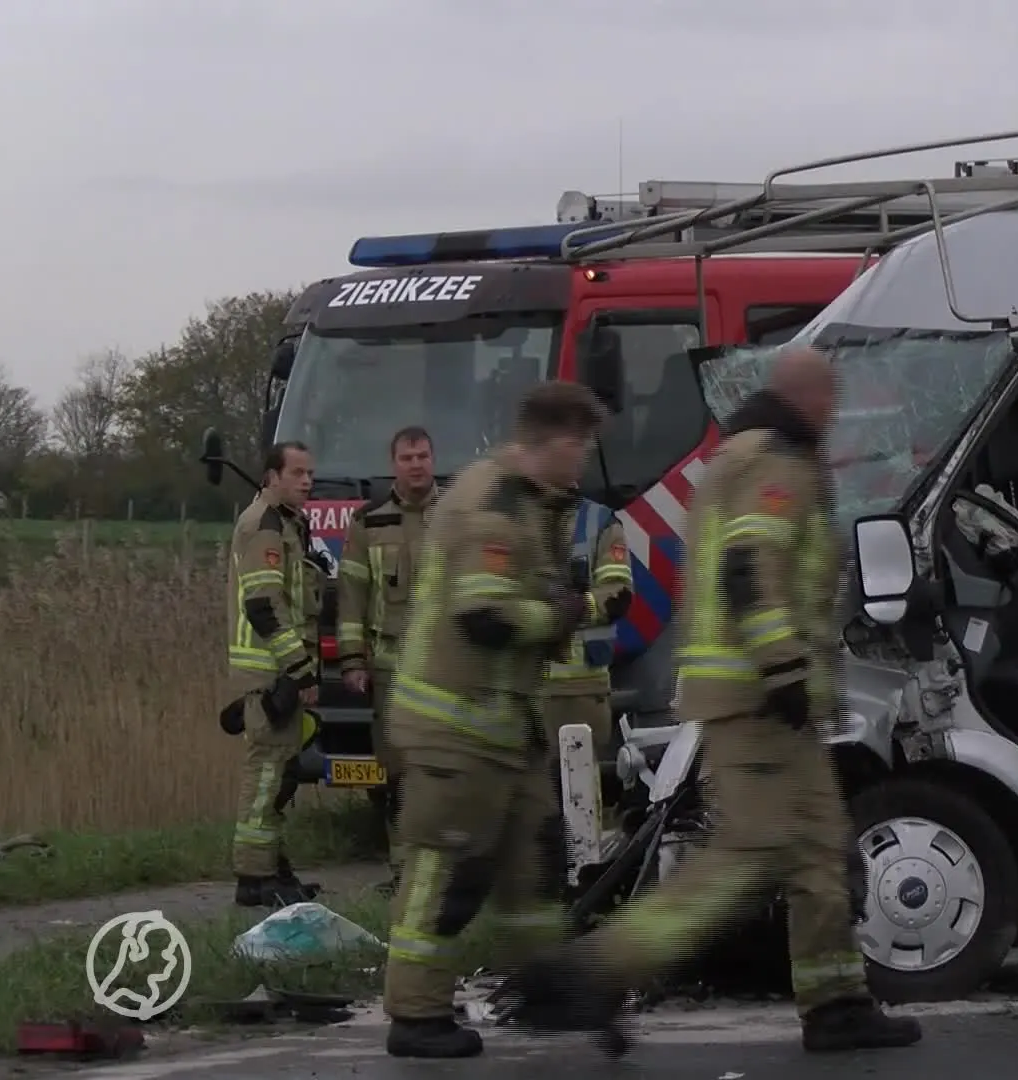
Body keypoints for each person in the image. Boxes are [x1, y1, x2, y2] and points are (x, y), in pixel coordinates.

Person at [501, 345, 923, 1055]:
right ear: (811, 400)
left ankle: (836, 1002)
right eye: (830, 399)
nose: (834, 412)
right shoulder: (778, 462)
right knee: (746, 856)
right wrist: (785, 666)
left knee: (819, 851)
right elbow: (748, 565)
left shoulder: (734, 457)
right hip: (760, 699)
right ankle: (595, 972)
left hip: (758, 697)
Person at [381, 382, 610, 1060]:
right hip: (456, 731)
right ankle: (415, 1013)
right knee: (446, 874)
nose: (586, 459)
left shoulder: (526, 500)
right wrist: (561, 615)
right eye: (584, 445)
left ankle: (549, 989)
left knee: (530, 867)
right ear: (558, 441)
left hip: (503, 729)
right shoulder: (496, 505)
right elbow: (484, 618)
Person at [337, 426, 442, 893]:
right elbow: (352, 599)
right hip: (391, 668)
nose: (416, 464)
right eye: (407, 457)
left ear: (433, 459)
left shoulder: (461, 517)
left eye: (422, 455)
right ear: (393, 463)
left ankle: (443, 873)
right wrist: (352, 662)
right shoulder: (368, 523)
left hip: (449, 670)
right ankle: (403, 871)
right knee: (397, 774)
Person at [223, 441, 325, 908]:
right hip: (268, 674)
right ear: (272, 476)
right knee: (265, 776)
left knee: (279, 775)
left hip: (278, 670)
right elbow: (265, 606)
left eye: (309, 473)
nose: (307, 481)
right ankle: (254, 878)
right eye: (297, 472)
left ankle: (273, 870)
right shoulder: (263, 525)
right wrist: (301, 670)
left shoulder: (287, 524)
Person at [540, 490, 633, 783]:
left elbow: (618, 594)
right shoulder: (512, 517)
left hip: (580, 692)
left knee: (579, 796)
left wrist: (575, 608)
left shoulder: (600, 522)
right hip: (522, 691)